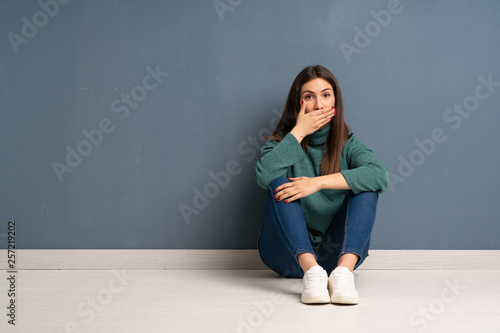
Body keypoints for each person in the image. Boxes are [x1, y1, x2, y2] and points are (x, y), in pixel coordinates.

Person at [254, 65, 388, 305]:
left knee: (366, 186)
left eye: (326, 95)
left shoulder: (348, 145)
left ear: (335, 102)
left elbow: (380, 175)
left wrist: (316, 183)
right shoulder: (282, 144)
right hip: (287, 258)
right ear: (299, 104)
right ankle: (312, 271)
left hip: (335, 259)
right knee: (278, 181)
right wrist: (299, 132)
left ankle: (344, 275)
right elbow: (263, 176)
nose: (318, 105)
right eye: (309, 97)